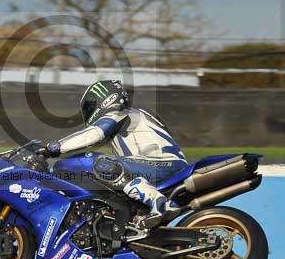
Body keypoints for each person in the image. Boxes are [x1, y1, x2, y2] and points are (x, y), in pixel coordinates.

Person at [42, 79, 187, 228]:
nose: (88, 112)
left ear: (105, 99)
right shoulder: (128, 118)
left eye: (89, 106)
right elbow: (87, 144)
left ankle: (161, 204)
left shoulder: (121, 113)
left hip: (164, 164)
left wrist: (52, 148)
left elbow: (92, 136)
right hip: (160, 164)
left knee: (102, 164)